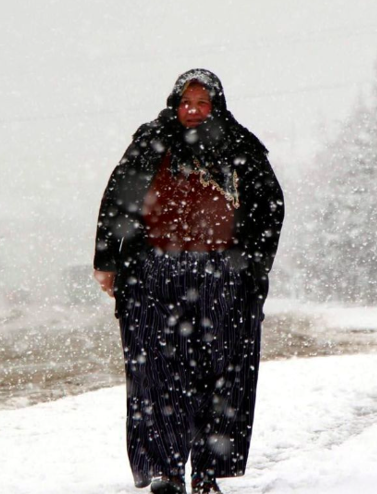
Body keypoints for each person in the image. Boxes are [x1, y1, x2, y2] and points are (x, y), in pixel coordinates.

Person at [93, 68, 284, 494]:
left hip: (223, 276)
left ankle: (206, 472)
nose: (193, 111)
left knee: (219, 374)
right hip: (152, 274)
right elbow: (117, 200)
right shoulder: (150, 142)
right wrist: (107, 260)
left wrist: (254, 264)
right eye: (186, 103)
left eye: (202, 103)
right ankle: (165, 471)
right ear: (174, 104)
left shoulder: (240, 145)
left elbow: (269, 207)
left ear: (216, 106)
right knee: (156, 373)